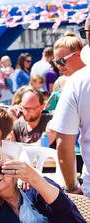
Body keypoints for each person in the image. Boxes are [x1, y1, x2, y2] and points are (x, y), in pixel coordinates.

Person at [50, 17, 90, 196]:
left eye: (61, 61)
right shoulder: (64, 85)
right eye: (55, 63)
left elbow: (62, 143)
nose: (59, 67)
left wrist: (72, 187)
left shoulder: (76, 82)